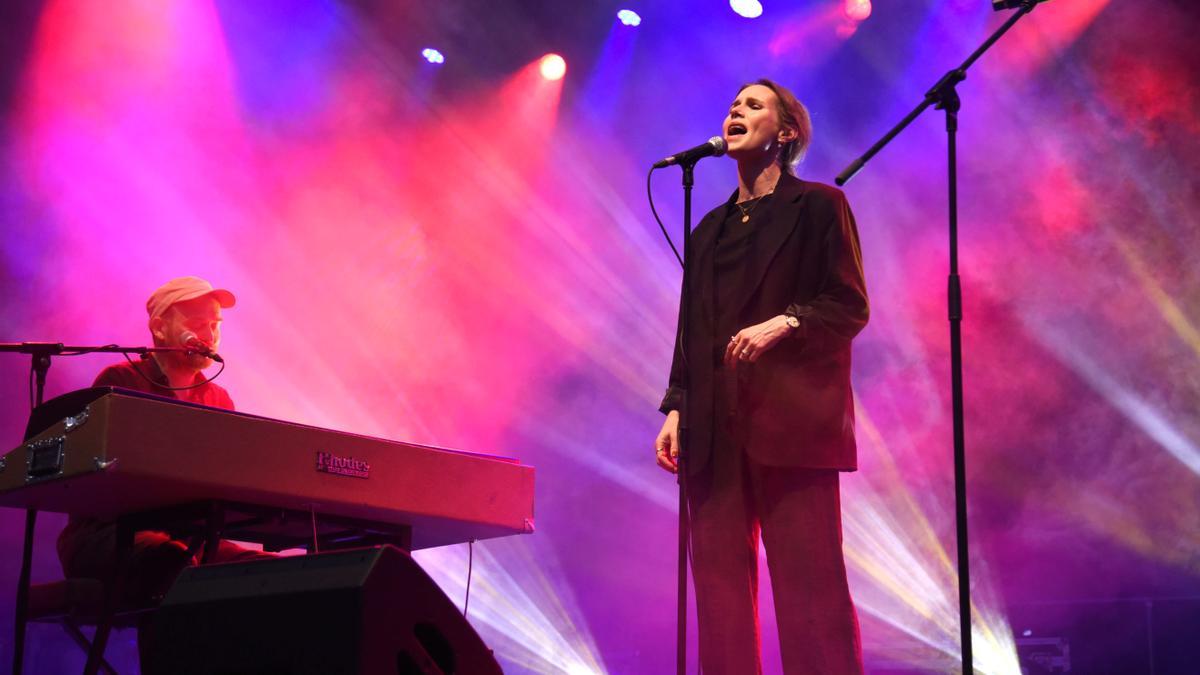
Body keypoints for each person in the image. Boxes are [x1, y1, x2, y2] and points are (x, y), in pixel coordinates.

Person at [654, 79, 869, 674]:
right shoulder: (707, 231)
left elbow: (849, 305)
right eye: (732, 105)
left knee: (810, 592)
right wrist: (677, 404)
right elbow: (690, 330)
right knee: (720, 597)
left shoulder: (821, 206)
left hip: (793, 423)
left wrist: (788, 322)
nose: (735, 112)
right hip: (715, 430)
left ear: (787, 132)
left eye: (753, 105)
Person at [56, 277, 272, 656]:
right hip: (107, 535)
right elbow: (103, 479)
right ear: (159, 326)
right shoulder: (120, 380)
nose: (211, 333)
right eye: (198, 322)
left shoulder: (218, 397)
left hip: (188, 538)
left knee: (265, 570)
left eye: (216, 324)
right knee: (169, 560)